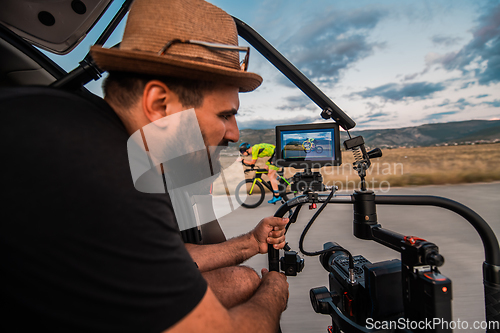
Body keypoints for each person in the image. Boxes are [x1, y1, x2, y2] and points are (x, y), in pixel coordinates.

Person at [0, 0, 289, 332]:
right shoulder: (103, 171)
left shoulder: (76, 130)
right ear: (159, 104)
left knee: (242, 279)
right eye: (225, 114)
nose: (234, 134)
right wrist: (275, 291)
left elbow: (161, 255)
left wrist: (250, 243)